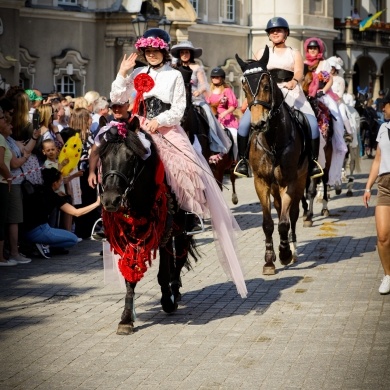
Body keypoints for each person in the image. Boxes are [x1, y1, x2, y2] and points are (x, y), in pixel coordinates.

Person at [103, 28, 247, 297]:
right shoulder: (136, 74)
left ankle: (186, 216)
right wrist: (122, 74)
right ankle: (112, 212)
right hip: (137, 126)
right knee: (113, 158)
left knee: (187, 166)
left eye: (155, 51)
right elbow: (117, 100)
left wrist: (160, 121)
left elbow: (179, 109)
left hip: (165, 129)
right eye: (147, 51)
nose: (152, 55)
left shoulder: (174, 75)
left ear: (163, 51)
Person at [235, 17, 323, 179]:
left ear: (286, 33)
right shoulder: (261, 53)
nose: (275, 33)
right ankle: (242, 161)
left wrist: (294, 81)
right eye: (272, 31)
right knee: (243, 125)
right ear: (269, 35)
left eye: (279, 30)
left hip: (291, 91)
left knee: (312, 124)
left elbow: (298, 71)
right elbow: (254, 76)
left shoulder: (294, 52)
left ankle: (313, 162)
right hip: (266, 95)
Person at [170, 41, 232, 160]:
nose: (184, 54)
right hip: (177, 99)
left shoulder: (197, 68)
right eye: (182, 52)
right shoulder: (174, 68)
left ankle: (213, 142)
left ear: (191, 54)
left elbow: (204, 85)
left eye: (187, 52)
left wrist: (199, 91)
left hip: (195, 99)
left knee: (208, 115)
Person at [23, 167, 100, 258]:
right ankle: (43, 244)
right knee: (73, 239)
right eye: (60, 181)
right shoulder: (53, 197)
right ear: (55, 183)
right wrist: (97, 203)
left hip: (26, 231)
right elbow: (76, 212)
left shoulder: (38, 189)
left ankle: (37, 244)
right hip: (40, 230)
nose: (61, 183)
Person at [303, 37, 348, 188]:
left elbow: (329, 80)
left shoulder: (324, 63)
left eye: (315, 48)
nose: (312, 51)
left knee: (336, 116)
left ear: (319, 50)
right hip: (306, 95)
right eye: (310, 48)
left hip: (323, 95)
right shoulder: (304, 64)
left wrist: (323, 90)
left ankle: (339, 137)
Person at [363, 95, 390, 294]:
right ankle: (388, 274)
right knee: (382, 236)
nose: (382, 109)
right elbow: (377, 160)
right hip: (385, 186)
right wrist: (368, 186)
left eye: (384, 106)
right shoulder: (383, 129)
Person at [0, 107, 17, 266]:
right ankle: (1, 257)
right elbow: (0, 163)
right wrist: (9, 176)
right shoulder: (0, 138)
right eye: (2, 119)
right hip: (2, 182)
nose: (5, 121)